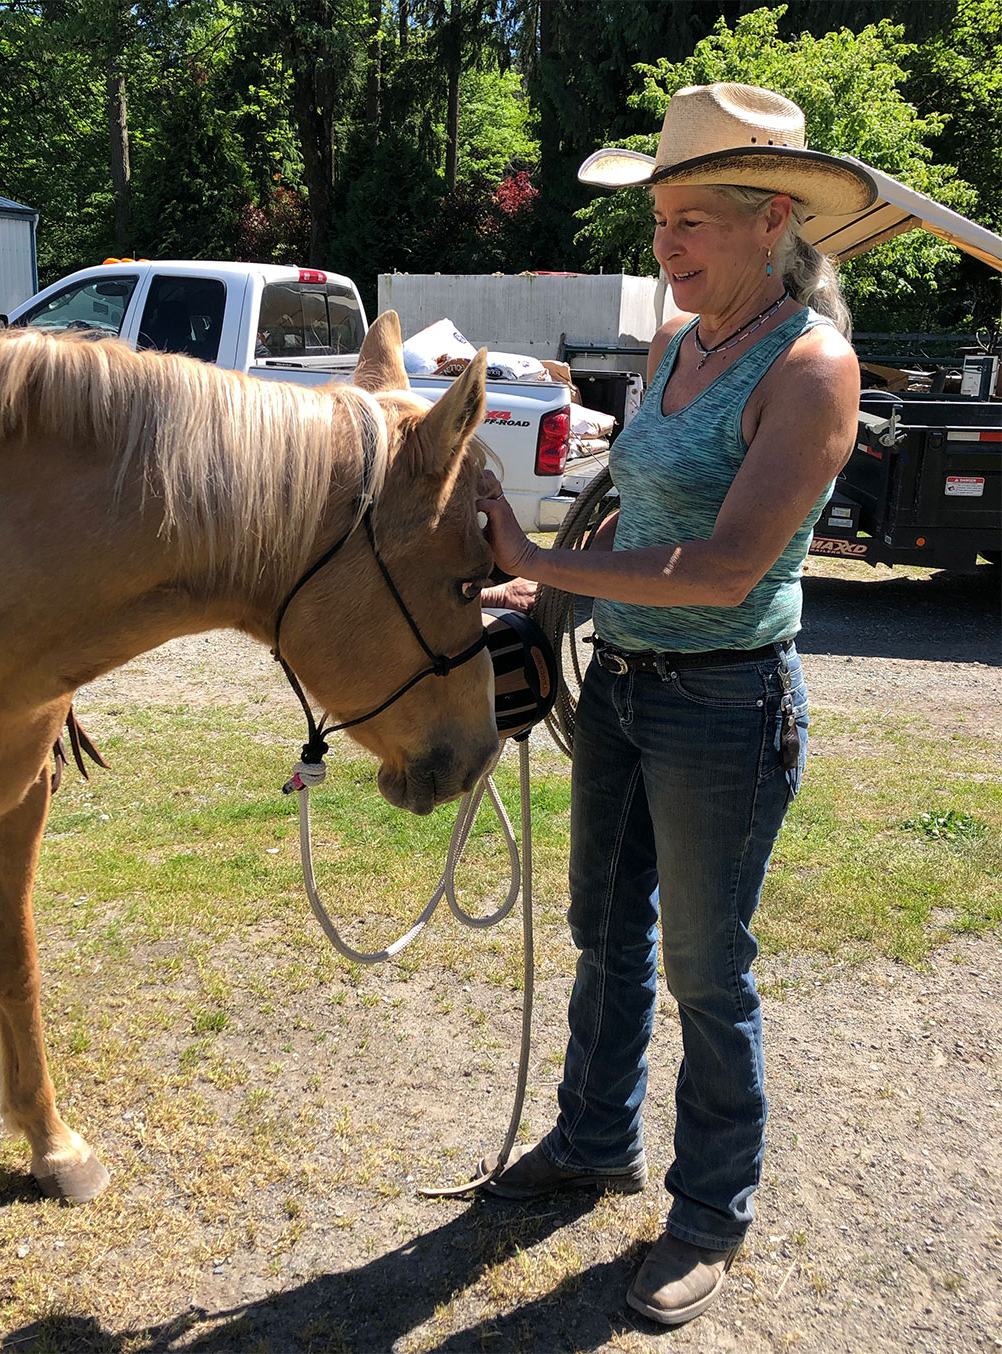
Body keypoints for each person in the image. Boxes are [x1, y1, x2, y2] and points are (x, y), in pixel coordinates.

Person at [474, 83, 875, 1326]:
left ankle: (711, 1211)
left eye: (695, 219)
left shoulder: (812, 367)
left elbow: (722, 568)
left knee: (710, 970)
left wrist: (539, 566)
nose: (669, 245)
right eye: (660, 222)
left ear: (772, 221)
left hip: (725, 701)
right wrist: (542, 587)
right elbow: (637, 503)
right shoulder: (671, 347)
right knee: (607, 934)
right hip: (625, 691)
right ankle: (595, 1140)